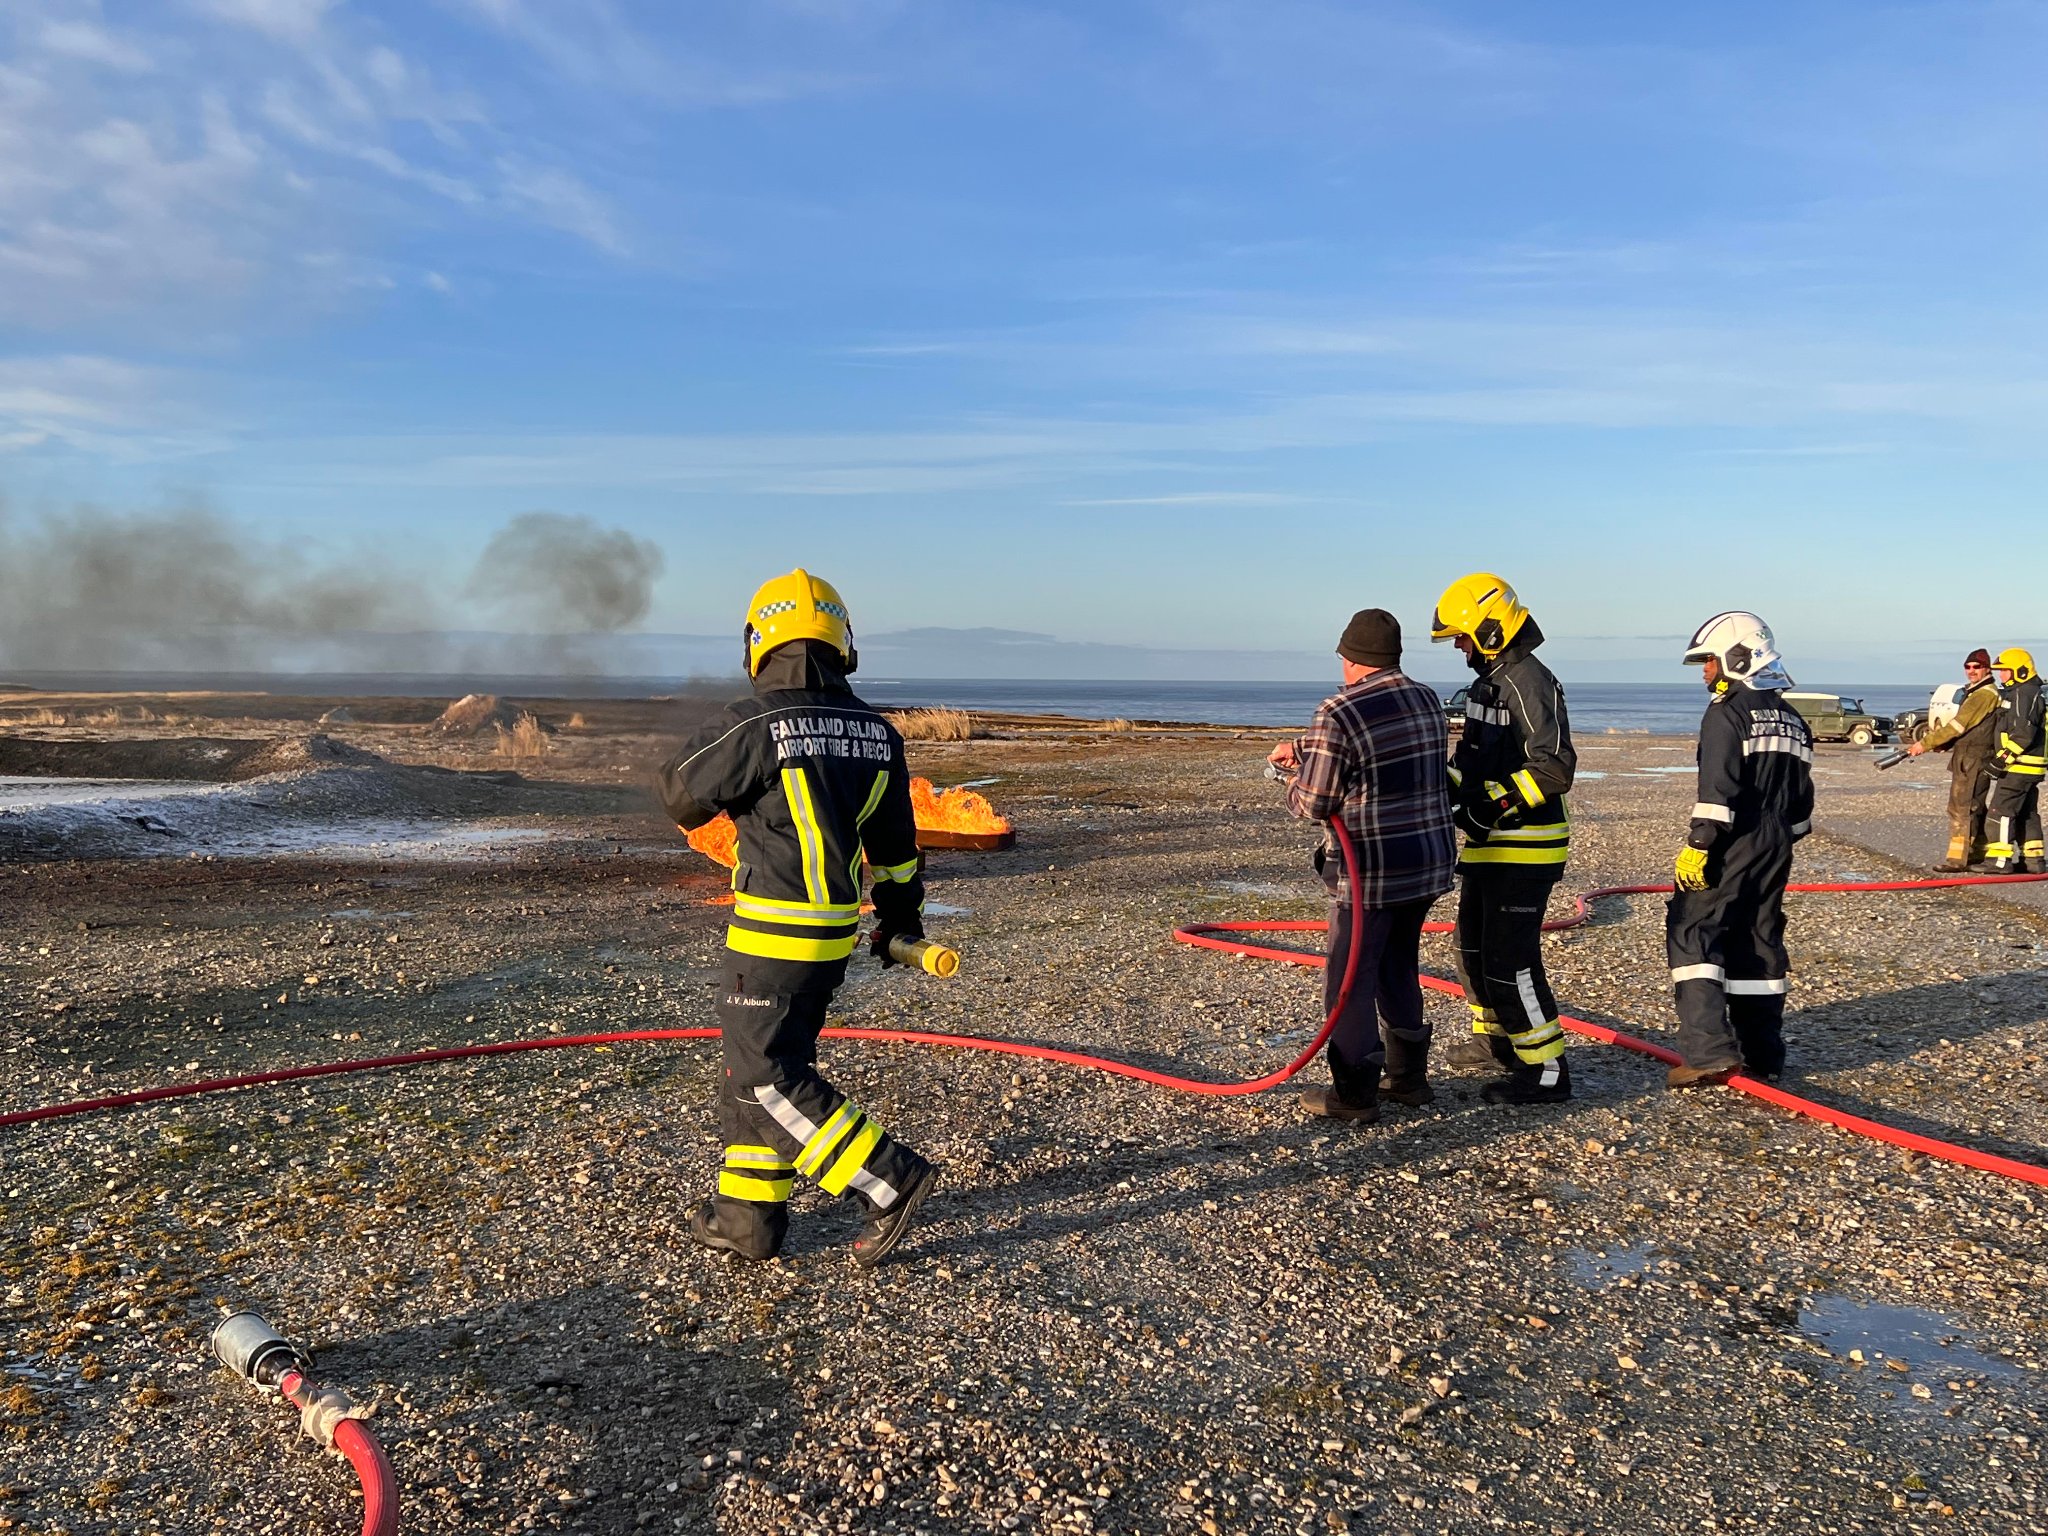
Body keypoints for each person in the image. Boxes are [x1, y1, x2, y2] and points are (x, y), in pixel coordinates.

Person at [654, 569, 937, 1266]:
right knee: (757, 1062)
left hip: (773, 928)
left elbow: (679, 795)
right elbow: (898, 854)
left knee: (763, 1076)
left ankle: (890, 1179)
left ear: (760, 643)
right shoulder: (878, 734)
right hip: (833, 930)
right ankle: (748, 1217)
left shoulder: (754, 724)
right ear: (842, 643)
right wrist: (900, 924)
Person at [1267, 608, 1456, 1123]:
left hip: (1370, 874)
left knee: (1347, 980)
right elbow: (1380, 740)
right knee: (1397, 964)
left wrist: (1285, 778)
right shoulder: (1425, 699)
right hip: (1427, 865)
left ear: (1350, 659)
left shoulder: (1338, 710)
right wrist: (1303, 747)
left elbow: (1313, 803)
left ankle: (1353, 1094)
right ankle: (1408, 1080)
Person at [1430, 573, 1577, 1104]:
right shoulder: (1487, 685)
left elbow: (1556, 769)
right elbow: (1470, 762)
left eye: (1463, 637)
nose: (1460, 648)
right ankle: (1494, 1042)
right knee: (1469, 946)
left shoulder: (1530, 682)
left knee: (1510, 960)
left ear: (1491, 629)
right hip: (1490, 844)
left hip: (1528, 845)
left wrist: (1488, 805)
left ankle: (1546, 1070)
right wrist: (1429, 789)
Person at [1666, 612, 1814, 1086]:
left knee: (1693, 928)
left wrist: (1698, 846)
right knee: (1758, 936)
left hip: (1732, 839)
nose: (1705, 672)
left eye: (1709, 661)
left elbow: (1717, 791)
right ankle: (1764, 1054)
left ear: (1737, 657)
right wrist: (1776, 845)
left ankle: (1708, 1051)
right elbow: (1802, 806)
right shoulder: (1793, 719)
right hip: (1776, 844)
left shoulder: (1727, 713)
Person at [1906, 648, 2000, 870]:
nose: (1971, 671)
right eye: (1968, 667)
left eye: (1977, 667)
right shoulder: (1977, 692)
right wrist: (1943, 744)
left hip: (1974, 759)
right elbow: (1966, 729)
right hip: (1968, 757)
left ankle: (1957, 860)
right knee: (1973, 806)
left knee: (1962, 807)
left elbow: (1958, 726)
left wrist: (1925, 743)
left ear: (1987, 669)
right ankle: (1977, 852)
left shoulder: (1984, 694)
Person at [1983, 647, 2045, 875]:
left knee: (2001, 811)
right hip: (2031, 766)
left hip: (2019, 766)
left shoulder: (2023, 694)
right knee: (2027, 813)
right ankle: (2034, 861)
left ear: (2019, 671)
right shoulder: (2030, 692)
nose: (2002, 676)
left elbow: (2023, 733)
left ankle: (1999, 861)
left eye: (2005, 671)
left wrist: (2000, 761)